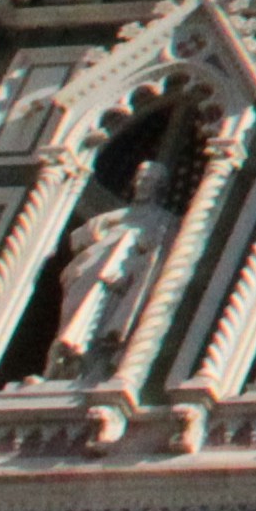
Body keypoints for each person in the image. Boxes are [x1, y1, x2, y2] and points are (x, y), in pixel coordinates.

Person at [42, 147, 186, 380]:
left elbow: (164, 255)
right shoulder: (115, 216)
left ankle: (93, 372)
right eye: (140, 178)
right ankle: (56, 372)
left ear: (160, 187)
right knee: (72, 316)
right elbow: (79, 238)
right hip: (91, 274)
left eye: (149, 180)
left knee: (100, 325)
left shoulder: (164, 222)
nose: (143, 184)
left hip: (122, 283)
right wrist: (109, 228)